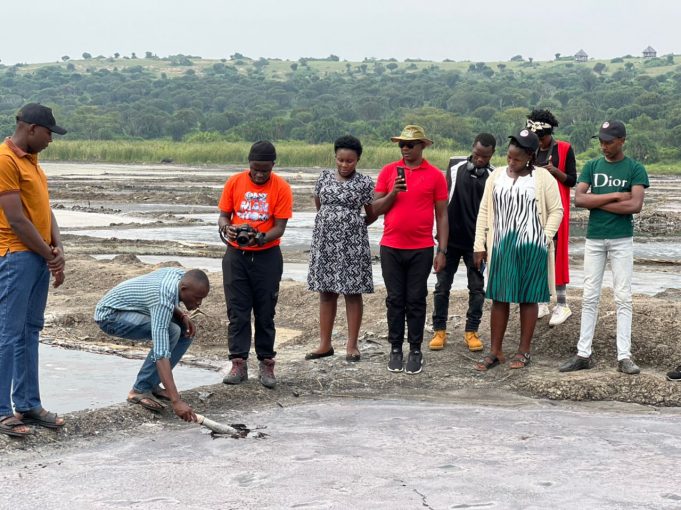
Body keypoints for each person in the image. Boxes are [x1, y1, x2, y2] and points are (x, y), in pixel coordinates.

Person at [559, 121, 649, 375]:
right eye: (601, 141)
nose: (603, 146)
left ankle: (624, 356)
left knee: (623, 297)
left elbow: (635, 206)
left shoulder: (635, 168)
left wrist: (596, 202)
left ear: (622, 140)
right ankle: (583, 354)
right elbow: (579, 199)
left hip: (622, 239)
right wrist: (615, 195)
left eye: (608, 141)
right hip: (595, 239)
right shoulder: (592, 166)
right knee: (589, 296)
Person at [0, 104, 67, 438]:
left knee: (30, 331)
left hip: (37, 256)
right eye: (48, 133)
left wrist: (58, 248)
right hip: (16, 256)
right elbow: (16, 219)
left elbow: (44, 209)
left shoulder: (32, 161)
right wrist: (48, 255)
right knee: (8, 332)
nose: (50, 140)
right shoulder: (5, 160)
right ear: (31, 128)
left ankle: (28, 404)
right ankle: (1, 411)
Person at [473, 128, 563, 371]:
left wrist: (544, 238)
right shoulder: (496, 176)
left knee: (528, 298)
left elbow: (557, 210)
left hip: (532, 247)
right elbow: (484, 210)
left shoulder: (543, 178)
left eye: (517, 159)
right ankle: (496, 351)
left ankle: (524, 351)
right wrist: (479, 245)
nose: (512, 163)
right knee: (499, 298)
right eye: (509, 157)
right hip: (501, 246)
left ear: (530, 157)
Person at [372, 125, 448, 375]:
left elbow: (442, 215)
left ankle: (415, 350)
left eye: (410, 144)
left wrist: (442, 250)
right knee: (395, 299)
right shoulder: (388, 171)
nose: (405, 148)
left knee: (416, 299)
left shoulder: (435, 175)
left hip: (422, 248)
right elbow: (375, 209)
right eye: (402, 144)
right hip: (391, 247)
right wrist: (393, 192)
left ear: (422, 146)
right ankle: (395, 348)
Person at [218, 141, 293, 388]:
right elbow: (223, 215)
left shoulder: (281, 187)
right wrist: (227, 228)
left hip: (267, 256)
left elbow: (279, 227)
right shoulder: (234, 182)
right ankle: (238, 363)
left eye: (265, 170)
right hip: (235, 256)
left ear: (273, 165)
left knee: (265, 311)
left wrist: (260, 238)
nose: (259, 174)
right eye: (255, 169)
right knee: (237, 311)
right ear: (249, 164)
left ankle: (266, 363)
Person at [95, 268, 209, 422]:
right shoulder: (161, 299)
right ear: (184, 289)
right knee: (171, 331)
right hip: (111, 315)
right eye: (197, 298)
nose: (199, 303)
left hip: (135, 308)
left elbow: (168, 299)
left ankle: (152, 383)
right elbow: (161, 353)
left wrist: (181, 315)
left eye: (202, 299)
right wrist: (176, 401)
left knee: (186, 331)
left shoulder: (179, 277)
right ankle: (139, 390)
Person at [306, 135, 376, 362]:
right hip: (325, 242)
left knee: (352, 293)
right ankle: (324, 345)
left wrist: (351, 225)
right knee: (326, 292)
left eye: (350, 161)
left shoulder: (365, 182)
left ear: (358, 160)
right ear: (335, 157)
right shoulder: (324, 177)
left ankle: (352, 345)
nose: (344, 165)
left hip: (352, 243)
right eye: (340, 160)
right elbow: (320, 206)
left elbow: (371, 214)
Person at [429, 133, 496, 353]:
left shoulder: (494, 176)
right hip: (450, 240)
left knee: (477, 289)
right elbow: (441, 204)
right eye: (476, 155)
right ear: (472, 149)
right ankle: (439, 330)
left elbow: (493, 214)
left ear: (492, 155)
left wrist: (484, 246)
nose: (480, 160)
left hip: (476, 245)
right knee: (441, 287)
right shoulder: (455, 168)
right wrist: (440, 243)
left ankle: (471, 331)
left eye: (485, 157)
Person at [526, 109, 577, 326]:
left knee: (558, 253)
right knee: (537, 251)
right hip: (536, 208)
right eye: (536, 138)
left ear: (550, 133)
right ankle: (542, 301)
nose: (539, 142)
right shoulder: (530, 150)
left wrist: (554, 171)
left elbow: (572, 180)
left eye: (542, 138)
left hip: (557, 207)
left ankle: (562, 304)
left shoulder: (564, 148)